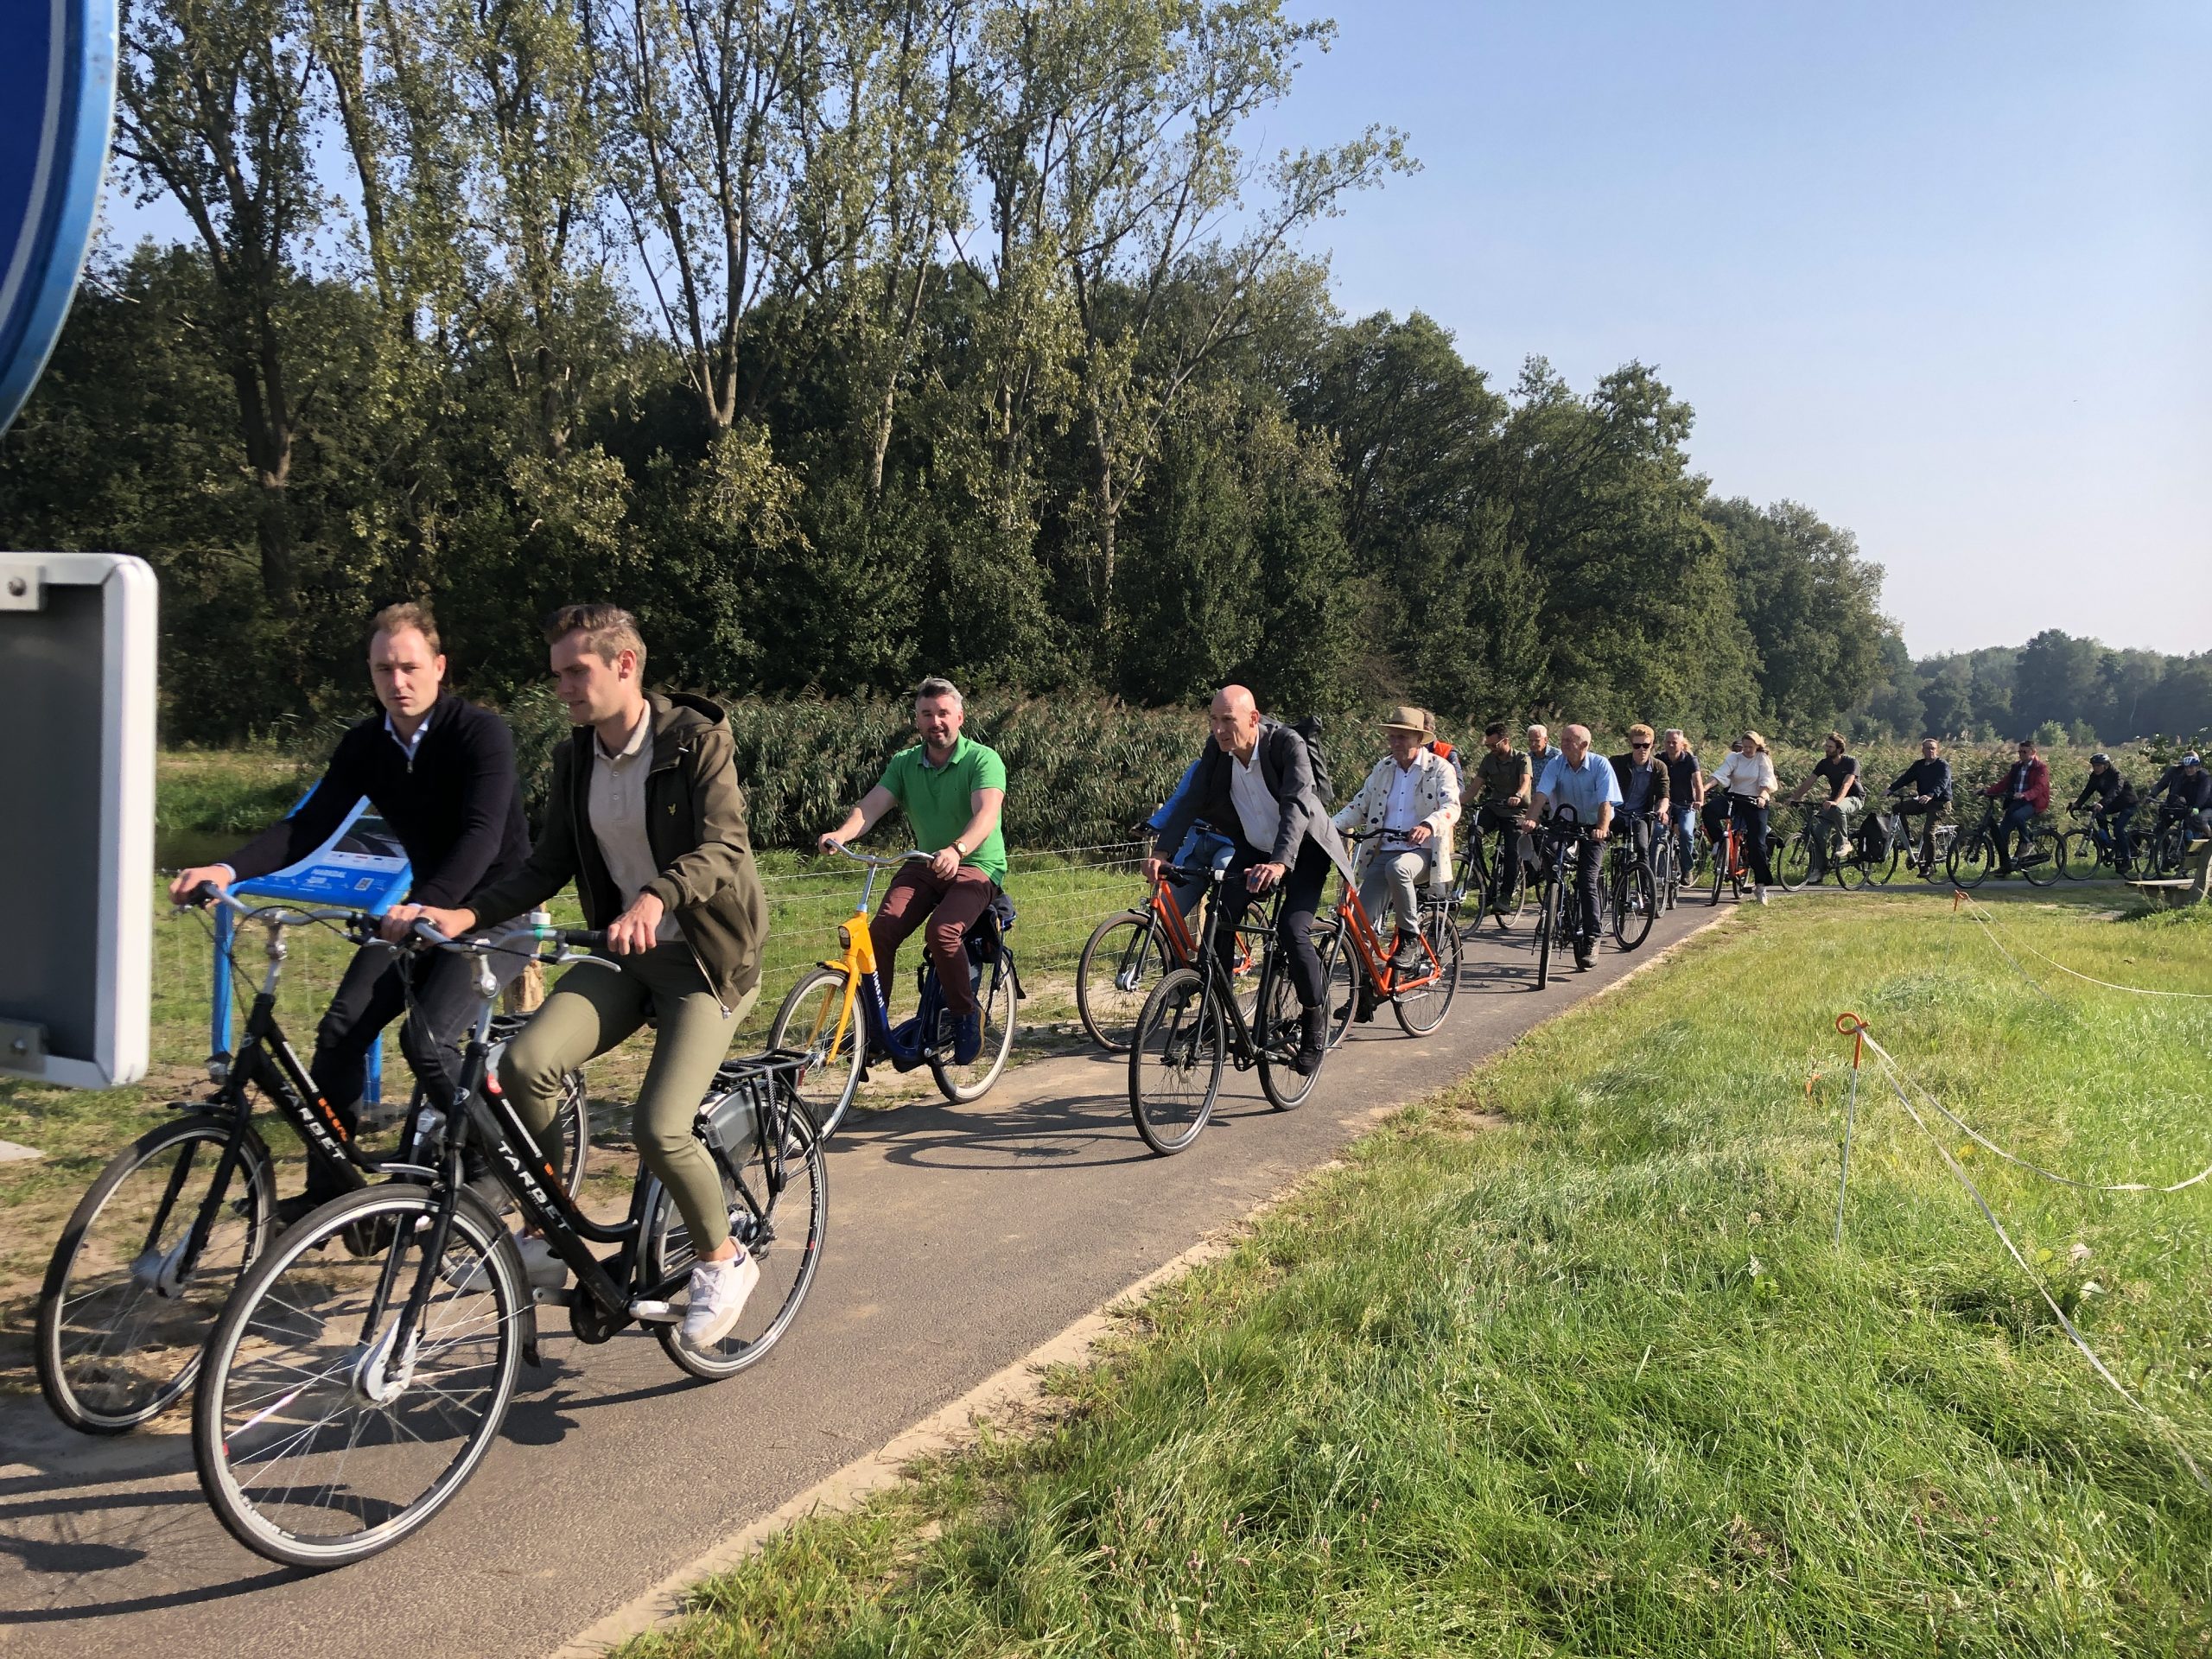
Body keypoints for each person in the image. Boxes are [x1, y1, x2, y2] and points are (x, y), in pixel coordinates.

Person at [390, 604, 770, 1351]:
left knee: (658, 1126)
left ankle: (725, 1259)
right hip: (624, 953)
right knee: (525, 1064)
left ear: (625, 665)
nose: (561, 685)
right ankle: (548, 1225)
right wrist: (462, 914)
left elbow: (726, 848)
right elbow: (546, 865)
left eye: (576, 671)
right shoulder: (576, 757)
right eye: (557, 670)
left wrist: (658, 895)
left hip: (704, 957)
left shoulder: (696, 741)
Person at [169, 602, 531, 1228]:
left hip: (495, 910)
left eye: (410, 666)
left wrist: (434, 903)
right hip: (422, 906)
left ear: (440, 667)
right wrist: (226, 870)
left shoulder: (480, 734)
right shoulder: (367, 744)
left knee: (427, 1043)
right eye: (383, 669)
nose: (398, 682)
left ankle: (489, 1168)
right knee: (340, 1030)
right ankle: (331, 1190)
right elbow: (308, 825)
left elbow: (482, 832)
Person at [1147, 685, 1352, 1074]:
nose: (1220, 729)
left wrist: (1279, 863)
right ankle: (1217, 1014)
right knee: (1219, 920)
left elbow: (1295, 806)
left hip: (1302, 850)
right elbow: (1192, 799)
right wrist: (1162, 853)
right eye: (1214, 720)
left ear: (1253, 719)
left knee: (1294, 931)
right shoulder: (1218, 750)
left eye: (1228, 720)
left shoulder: (1286, 745)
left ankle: (1313, 1022)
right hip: (1253, 848)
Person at [817, 677, 1007, 1065]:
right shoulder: (904, 764)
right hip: (923, 863)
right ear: (917, 720)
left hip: (976, 865)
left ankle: (964, 1016)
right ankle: (872, 1026)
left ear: (959, 716)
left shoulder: (982, 759)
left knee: (943, 932)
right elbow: (870, 808)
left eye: (942, 713)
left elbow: (986, 813)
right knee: (880, 931)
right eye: (926, 714)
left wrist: (958, 849)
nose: (935, 721)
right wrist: (841, 833)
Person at [1333, 708, 1461, 1003]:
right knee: (1359, 925)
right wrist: (1328, 827)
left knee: (1400, 869)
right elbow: (1360, 805)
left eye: (1401, 736)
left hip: (1422, 853)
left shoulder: (1440, 768)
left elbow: (1452, 807)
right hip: (1384, 851)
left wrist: (1428, 825)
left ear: (1419, 737)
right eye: (1391, 736)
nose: (1394, 742)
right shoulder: (1384, 768)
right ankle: (1365, 992)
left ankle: (1409, 937)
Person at [1522, 723, 1621, 970]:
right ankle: (1556, 897)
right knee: (1548, 851)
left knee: (1587, 880)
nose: (1563, 744)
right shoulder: (1557, 763)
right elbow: (1541, 795)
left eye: (1569, 740)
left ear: (1584, 745)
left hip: (1593, 826)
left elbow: (1605, 802)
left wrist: (1601, 828)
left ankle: (1591, 937)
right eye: (1563, 739)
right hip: (1563, 821)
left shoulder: (1600, 765)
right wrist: (1532, 819)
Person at [1709, 730, 1778, 903]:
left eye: (1750, 747)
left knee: (1757, 843)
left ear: (1757, 746)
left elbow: (1767, 780)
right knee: (1709, 810)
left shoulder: (1762, 759)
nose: (1747, 750)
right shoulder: (1735, 757)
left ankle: (1761, 886)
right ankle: (1719, 842)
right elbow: (1720, 774)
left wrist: (1762, 795)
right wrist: (1704, 787)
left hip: (1756, 801)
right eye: (1744, 747)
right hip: (1735, 797)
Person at [1788, 731, 1866, 877]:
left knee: (1839, 808)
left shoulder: (1851, 762)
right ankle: (1820, 868)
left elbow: (1847, 784)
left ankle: (1845, 843)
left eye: (1830, 747)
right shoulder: (1824, 764)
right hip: (1834, 799)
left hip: (1855, 798)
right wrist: (1795, 797)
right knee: (1818, 833)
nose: (1826, 749)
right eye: (1826, 746)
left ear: (1839, 749)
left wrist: (1835, 802)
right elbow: (1809, 782)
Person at [1469, 720, 1533, 893]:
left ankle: (1506, 894)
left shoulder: (1522, 758)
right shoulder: (1489, 760)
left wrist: (1518, 795)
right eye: (1488, 746)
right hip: (1495, 807)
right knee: (1474, 831)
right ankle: (1479, 875)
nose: (1491, 749)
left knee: (1513, 851)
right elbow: (1474, 787)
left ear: (1505, 740)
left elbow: (1525, 782)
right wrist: (1456, 803)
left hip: (1516, 811)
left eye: (1494, 745)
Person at [1979, 738, 2051, 876]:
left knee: (2018, 816)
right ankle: (2005, 866)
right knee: (2001, 834)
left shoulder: (2041, 768)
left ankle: (2027, 842)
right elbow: (2004, 783)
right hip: (2017, 801)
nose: (2021, 754)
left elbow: (2040, 787)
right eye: (2019, 752)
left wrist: (2025, 795)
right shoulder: (2017, 767)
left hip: (2033, 802)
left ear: (2033, 752)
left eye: (2024, 752)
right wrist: (1987, 791)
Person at [1886, 738, 1954, 874]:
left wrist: (1930, 794)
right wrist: (1891, 789)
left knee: (1929, 833)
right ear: (1922, 750)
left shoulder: (1943, 765)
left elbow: (1942, 783)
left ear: (1937, 750)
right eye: (1927, 748)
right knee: (1897, 808)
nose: (1930, 751)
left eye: (1933, 748)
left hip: (1940, 804)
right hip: (1923, 802)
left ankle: (1930, 865)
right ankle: (1907, 837)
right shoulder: (1919, 765)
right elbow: (1906, 778)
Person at [1608, 724, 1671, 869]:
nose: (1642, 749)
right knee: (1598, 842)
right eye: (1637, 745)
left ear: (1652, 745)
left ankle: (1646, 890)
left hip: (1640, 816)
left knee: (1643, 849)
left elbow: (1664, 794)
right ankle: (1598, 881)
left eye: (1646, 745)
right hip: (1616, 813)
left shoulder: (1659, 767)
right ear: (1631, 745)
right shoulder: (1617, 763)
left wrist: (1661, 810)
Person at [2069, 753, 2138, 873]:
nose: (2094, 768)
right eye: (2093, 765)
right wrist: (2077, 804)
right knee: (2099, 814)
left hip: (2128, 803)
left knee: (2118, 829)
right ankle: (2108, 841)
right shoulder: (2095, 777)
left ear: (2106, 765)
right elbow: (2087, 791)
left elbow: (2115, 790)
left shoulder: (2116, 775)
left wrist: (2102, 803)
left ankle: (2127, 860)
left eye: (2097, 765)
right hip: (2113, 803)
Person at [2143, 752, 2212, 855]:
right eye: (2186, 766)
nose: (2188, 769)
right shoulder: (2179, 773)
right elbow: (2167, 786)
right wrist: (2154, 796)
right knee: (2162, 825)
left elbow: (2204, 794)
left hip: (2204, 806)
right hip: (2184, 804)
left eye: (2191, 766)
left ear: (2198, 766)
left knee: (2198, 819)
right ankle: (2167, 857)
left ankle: (2209, 839)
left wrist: (2197, 807)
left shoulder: (2204, 776)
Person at [1659, 729, 1702, 877]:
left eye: (1674, 742)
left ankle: (1686, 869)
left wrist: (1699, 801)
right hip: (1666, 805)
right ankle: (1657, 870)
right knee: (1658, 832)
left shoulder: (1690, 759)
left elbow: (1697, 782)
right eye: (1668, 742)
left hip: (1686, 804)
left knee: (1685, 832)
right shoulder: (1660, 759)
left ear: (1682, 744)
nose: (1671, 745)